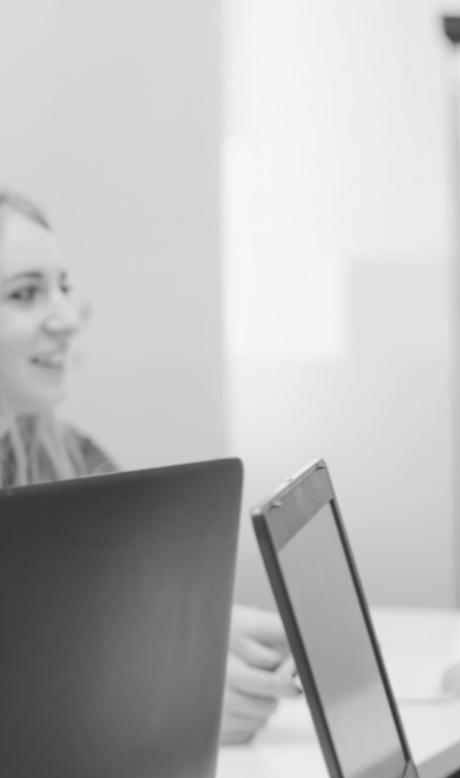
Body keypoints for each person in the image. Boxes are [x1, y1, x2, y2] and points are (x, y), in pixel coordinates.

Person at [0, 188, 297, 744]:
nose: (66, 318)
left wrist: (203, 636)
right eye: (25, 294)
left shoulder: (67, 458)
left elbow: (102, 621)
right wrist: (158, 696)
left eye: (62, 288)